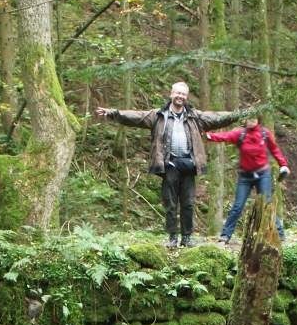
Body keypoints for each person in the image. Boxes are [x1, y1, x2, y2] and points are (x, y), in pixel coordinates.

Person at [96, 82, 242, 248]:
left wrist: (241, 114)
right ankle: (172, 237)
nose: (180, 96)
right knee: (170, 203)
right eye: (178, 93)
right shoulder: (158, 116)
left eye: (183, 94)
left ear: (186, 97)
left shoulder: (195, 117)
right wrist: (113, 113)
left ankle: (187, 237)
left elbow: (217, 117)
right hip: (169, 164)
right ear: (171, 94)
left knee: (187, 203)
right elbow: (135, 116)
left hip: (188, 164)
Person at [205, 116, 290, 244]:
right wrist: (208, 136)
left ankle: (280, 234)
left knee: (266, 203)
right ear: (245, 120)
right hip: (245, 176)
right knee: (238, 206)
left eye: (253, 119)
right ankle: (225, 235)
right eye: (248, 119)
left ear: (258, 120)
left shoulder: (264, 133)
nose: (251, 121)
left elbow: (274, 150)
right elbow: (224, 136)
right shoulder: (240, 133)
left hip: (263, 174)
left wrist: (283, 164)